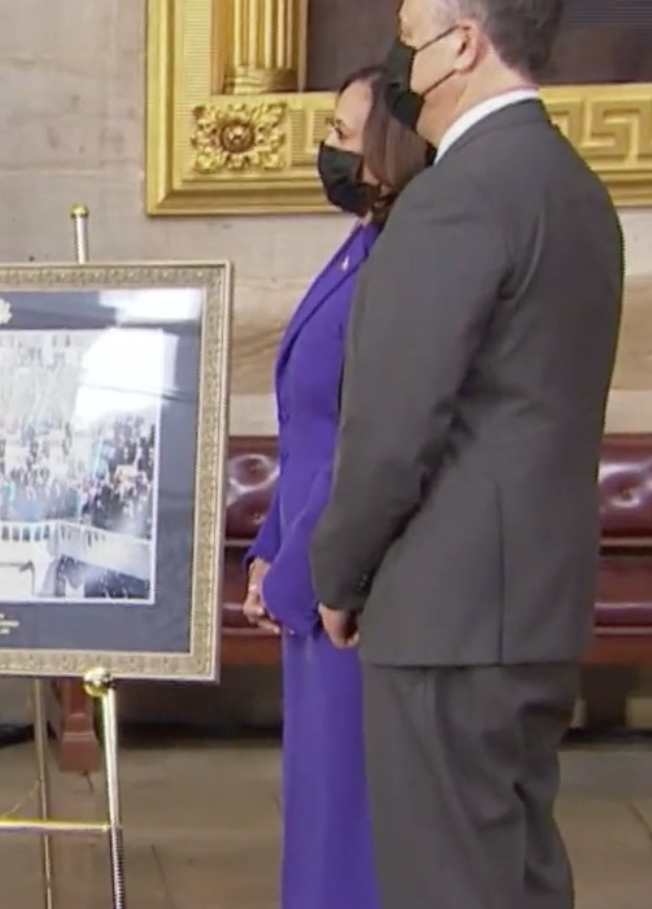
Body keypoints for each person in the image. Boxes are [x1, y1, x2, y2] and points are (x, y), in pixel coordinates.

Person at [309, 0, 624, 909]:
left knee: (451, 881)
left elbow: (395, 427)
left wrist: (339, 572)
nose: (401, 68)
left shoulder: (455, 196)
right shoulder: (576, 190)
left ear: (461, 46)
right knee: (516, 872)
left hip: (448, 612)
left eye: (408, 43)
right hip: (534, 601)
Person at [241, 65, 430, 909]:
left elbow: (369, 440)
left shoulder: (404, 261)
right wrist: (265, 547)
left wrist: (295, 572)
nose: (329, 150)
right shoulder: (361, 244)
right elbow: (305, 425)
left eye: (345, 135)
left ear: (391, 145)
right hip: (308, 566)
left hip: (351, 585)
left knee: (352, 821)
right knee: (317, 810)